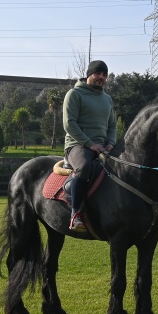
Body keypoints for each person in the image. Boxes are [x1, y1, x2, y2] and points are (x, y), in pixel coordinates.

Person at [63, 60, 117, 230]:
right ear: (89, 74)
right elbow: (69, 124)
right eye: (98, 73)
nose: (101, 77)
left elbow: (112, 126)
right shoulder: (74, 94)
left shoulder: (107, 99)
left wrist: (110, 143)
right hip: (78, 145)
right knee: (85, 166)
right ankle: (75, 214)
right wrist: (90, 144)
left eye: (104, 75)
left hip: (103, 147)